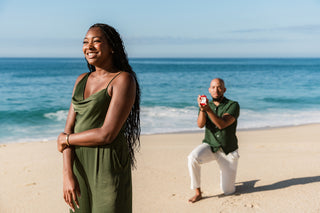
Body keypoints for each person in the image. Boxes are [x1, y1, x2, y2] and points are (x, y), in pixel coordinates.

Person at [57, 23, 140, 213]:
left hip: (107, 166)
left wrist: (66, 139)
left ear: (112, 47)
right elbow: (68, 128)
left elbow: (107, 134)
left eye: (96, 41)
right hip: (79, 166)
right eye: (86, 42)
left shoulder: (123, 80)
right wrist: (67, 175)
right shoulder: (81, 80)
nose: (89, 46)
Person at [188, 78, 240, 203]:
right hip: (210, 145)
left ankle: (230, 181)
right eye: (213, 87)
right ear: (209, 90)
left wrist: (207, 110)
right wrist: (201, 109)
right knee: (192, 158)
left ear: (224, 89)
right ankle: (198, 192)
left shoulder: (233, 105)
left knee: (228, 191)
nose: (216, 90)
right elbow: (200, 125)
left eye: (219, 87)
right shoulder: (207, 106)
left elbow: (222, 124)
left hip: (228, 150)